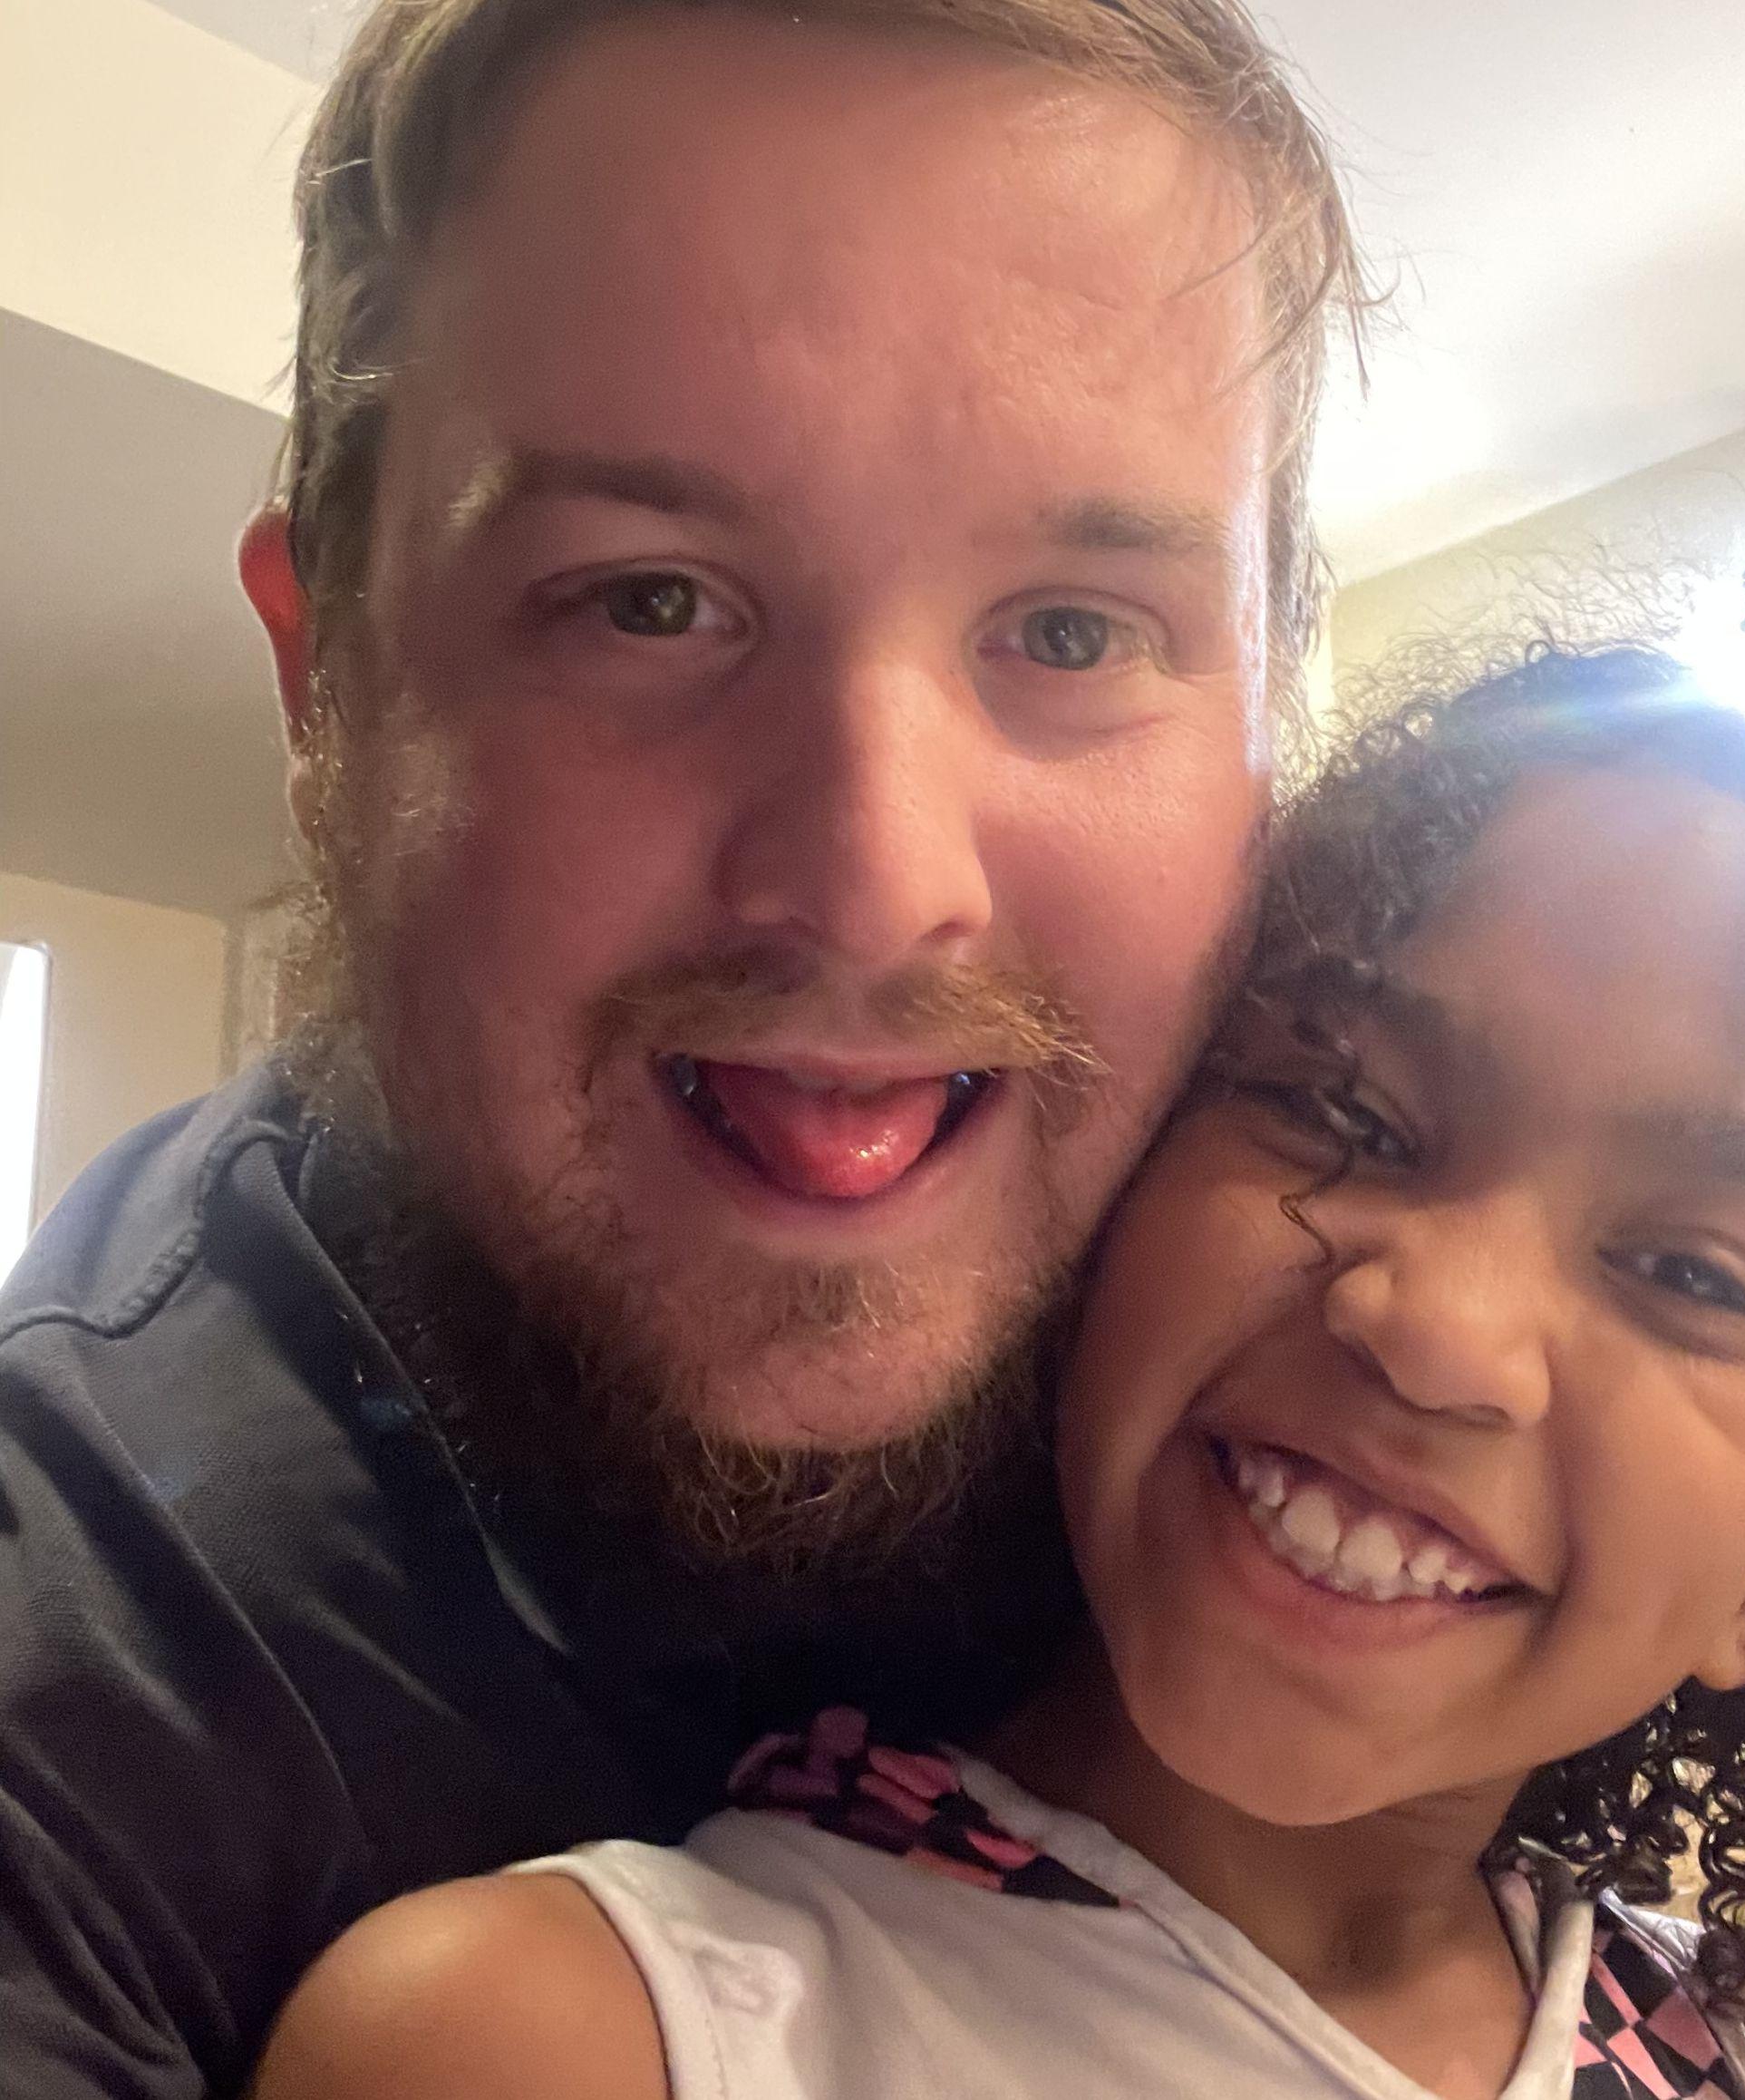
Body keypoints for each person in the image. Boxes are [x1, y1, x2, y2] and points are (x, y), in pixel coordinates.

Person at [0, 2, 1367, 2092]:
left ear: (1273, 727)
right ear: (327, 675)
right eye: (650, 601)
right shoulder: (78, 1695)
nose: (874, 883)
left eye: (1072, 631)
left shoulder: (1341, 1399)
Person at [251, 647, 1745, 2100]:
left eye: (1691, 1274)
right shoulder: (582, 2039)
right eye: (1342, 1108)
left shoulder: (1703, 2040)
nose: (1441, 1326)